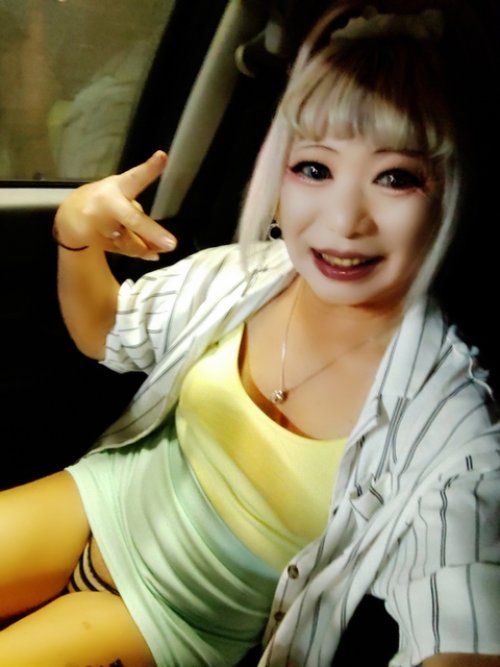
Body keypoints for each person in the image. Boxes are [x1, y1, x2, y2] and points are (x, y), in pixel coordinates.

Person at [1, 1, 499, 665]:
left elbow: (461, 620)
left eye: (396, 177)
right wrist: (76, 236)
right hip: (94, 499)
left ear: (449, 197)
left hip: (171, 624)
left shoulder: (453, 425)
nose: (343, 218)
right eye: (315, 168)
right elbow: (107, 332)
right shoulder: (247, 274)